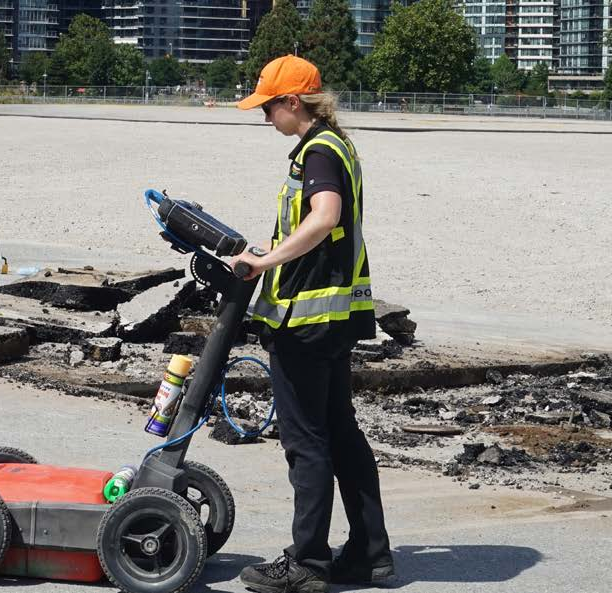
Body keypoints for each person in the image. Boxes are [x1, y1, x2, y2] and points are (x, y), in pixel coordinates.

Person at [230, 55, 394, 593]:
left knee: (307, 442)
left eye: (268, 106)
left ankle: (307, 563)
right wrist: (271, 251)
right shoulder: (337, 145)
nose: (264, 117)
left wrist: (264, 262)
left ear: (292, 102)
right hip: (336, 319)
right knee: (341, 434)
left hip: (307, 320)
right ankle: (371, 555)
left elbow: (324, 217)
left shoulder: (319, 151)